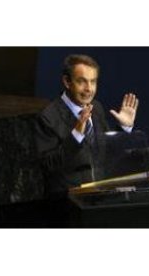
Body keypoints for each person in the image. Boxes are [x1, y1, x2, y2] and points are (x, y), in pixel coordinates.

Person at [35, 54, 139, 198]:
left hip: (100, 197)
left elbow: (106, 151)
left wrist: (124, 128)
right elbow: (48, 166)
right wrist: (76, 135)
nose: (89, 89)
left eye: (93, 82)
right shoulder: (48, 117)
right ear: (67, 81)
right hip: (68, 202)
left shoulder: (96, 108)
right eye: (82, 81)